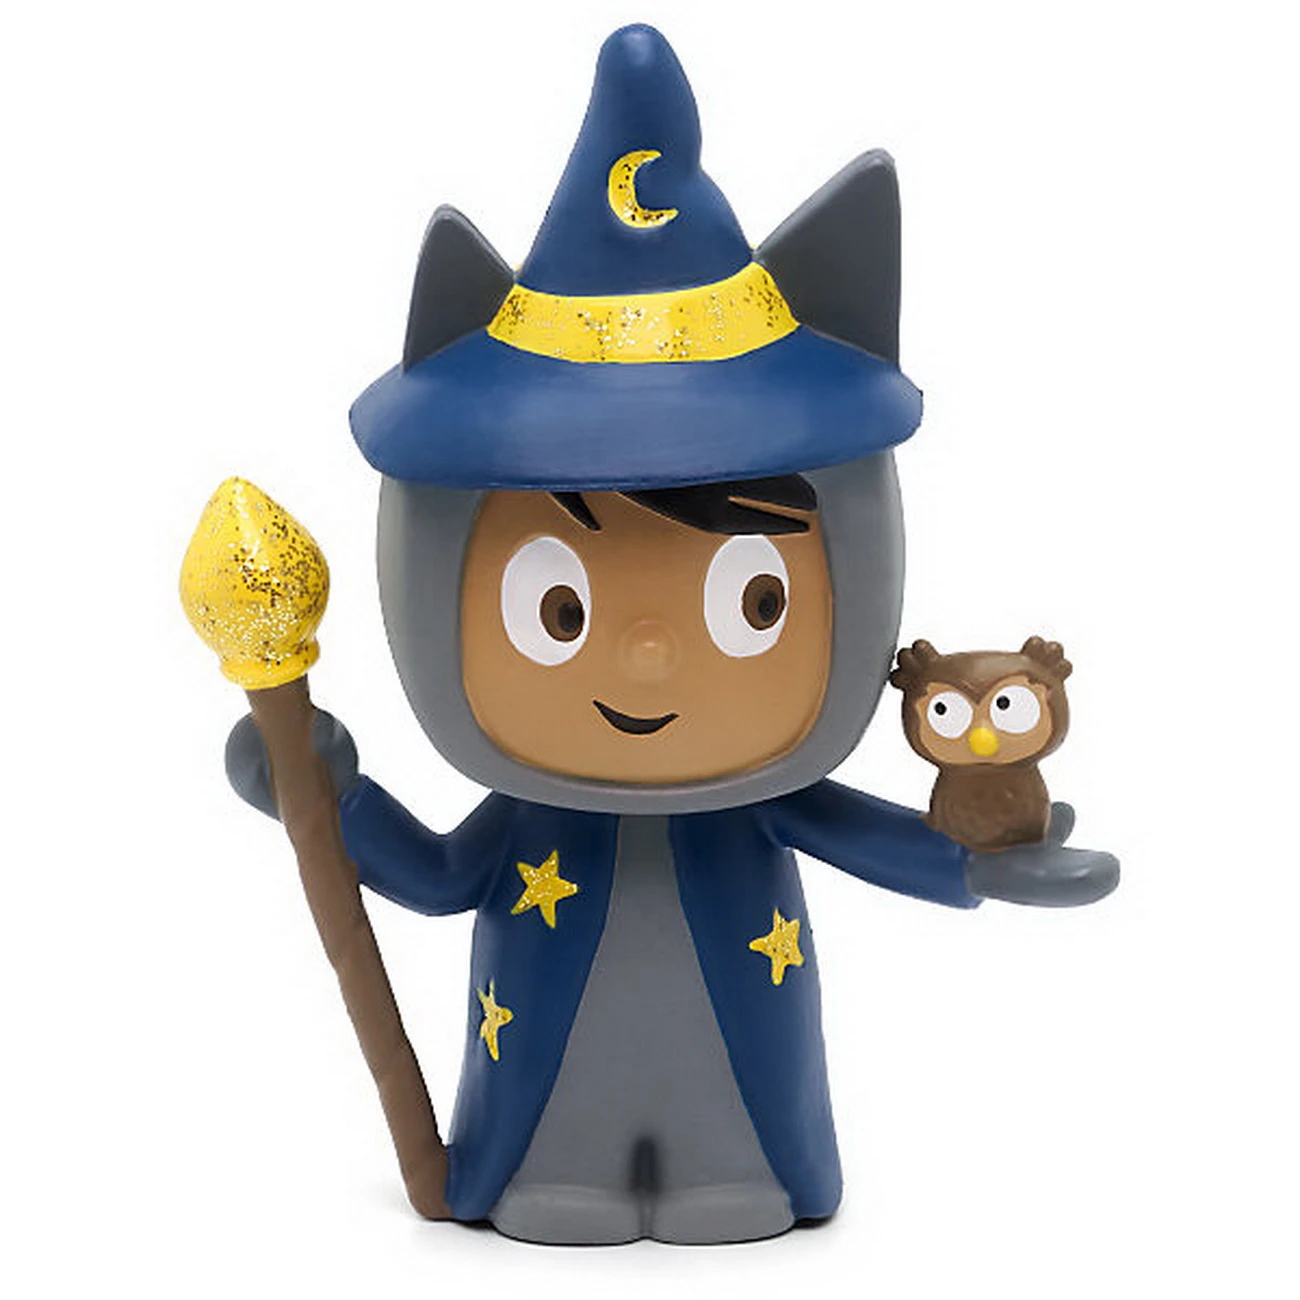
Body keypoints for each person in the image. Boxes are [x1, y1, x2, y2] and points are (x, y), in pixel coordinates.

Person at [229, 24, 1118, 1244]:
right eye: (560, 612)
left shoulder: (760, 807)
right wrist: (323, 792)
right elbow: (435, 875)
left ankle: (727, 1167)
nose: (646, 658)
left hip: (746, 1111)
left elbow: (872, 838)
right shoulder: (533, 822)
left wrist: (976, 864)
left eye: (755, 604)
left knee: (733, 1163)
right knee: (558, 1174)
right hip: (539, 1113)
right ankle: (562, 1170)